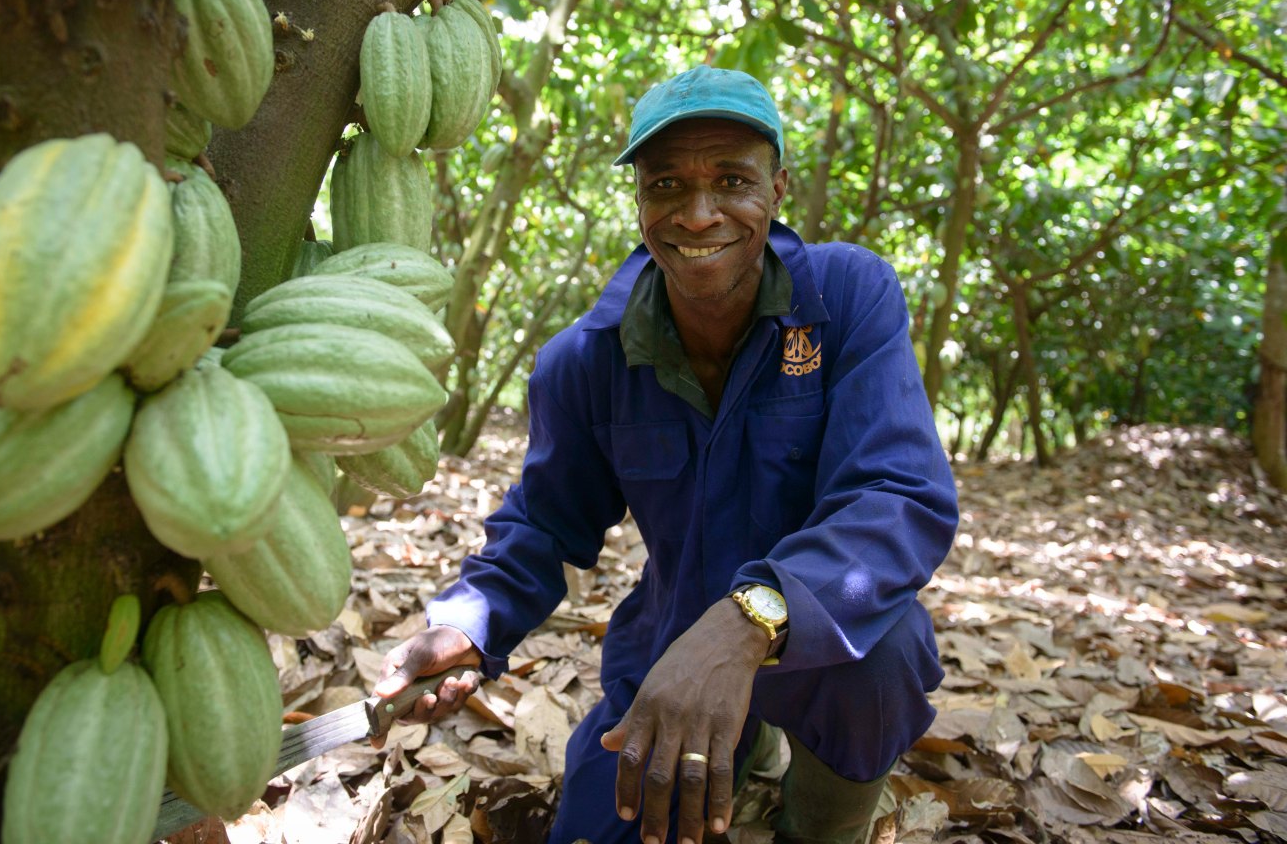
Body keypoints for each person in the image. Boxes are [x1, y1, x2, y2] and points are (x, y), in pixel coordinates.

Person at [372, 65, 958, 844]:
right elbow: (545, 527)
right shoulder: (586, 361)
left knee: (884, 652)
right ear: (640, 201)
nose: (699, 212)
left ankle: (821, 826)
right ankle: (743, 746)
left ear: (778, 188)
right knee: (598, 829)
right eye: (667, 186)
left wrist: (750, 622)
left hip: (814, 644)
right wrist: (471, 629)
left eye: (731, 180)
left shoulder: (847, 297)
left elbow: (898, 494)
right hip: (670, 647)